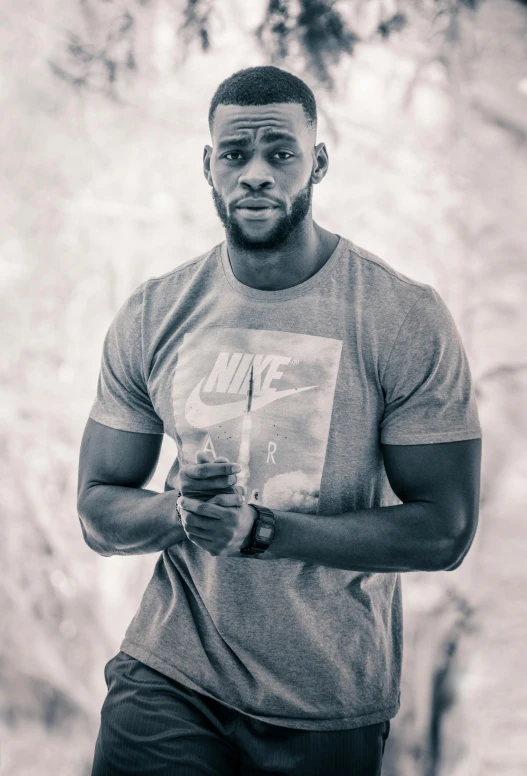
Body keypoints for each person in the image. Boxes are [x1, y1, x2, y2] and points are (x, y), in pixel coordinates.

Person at [78, 66, 483, 776]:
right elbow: (97, 510)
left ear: (317, 161)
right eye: (234, 154)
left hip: (324, 699)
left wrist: (260, 531)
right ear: (209, 166)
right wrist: (184, 512)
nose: (256, 173)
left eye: (280, 152)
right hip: (170, 673)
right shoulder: (154, 313)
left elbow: (444, 530)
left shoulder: (399, 315)